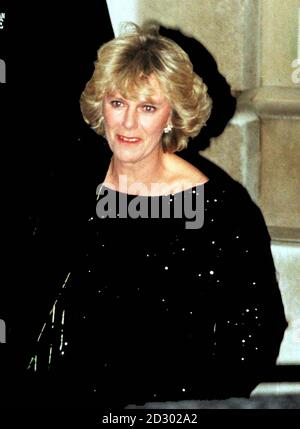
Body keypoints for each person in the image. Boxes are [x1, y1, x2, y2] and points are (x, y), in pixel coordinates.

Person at [24, 22, 286, 409]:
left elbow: (254, 338)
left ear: (171, 117)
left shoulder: (220, 210)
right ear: (101, 108)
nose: (128, 123)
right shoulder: (67, 191)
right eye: (118, 104)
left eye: (147, 108)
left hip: (170, 408)